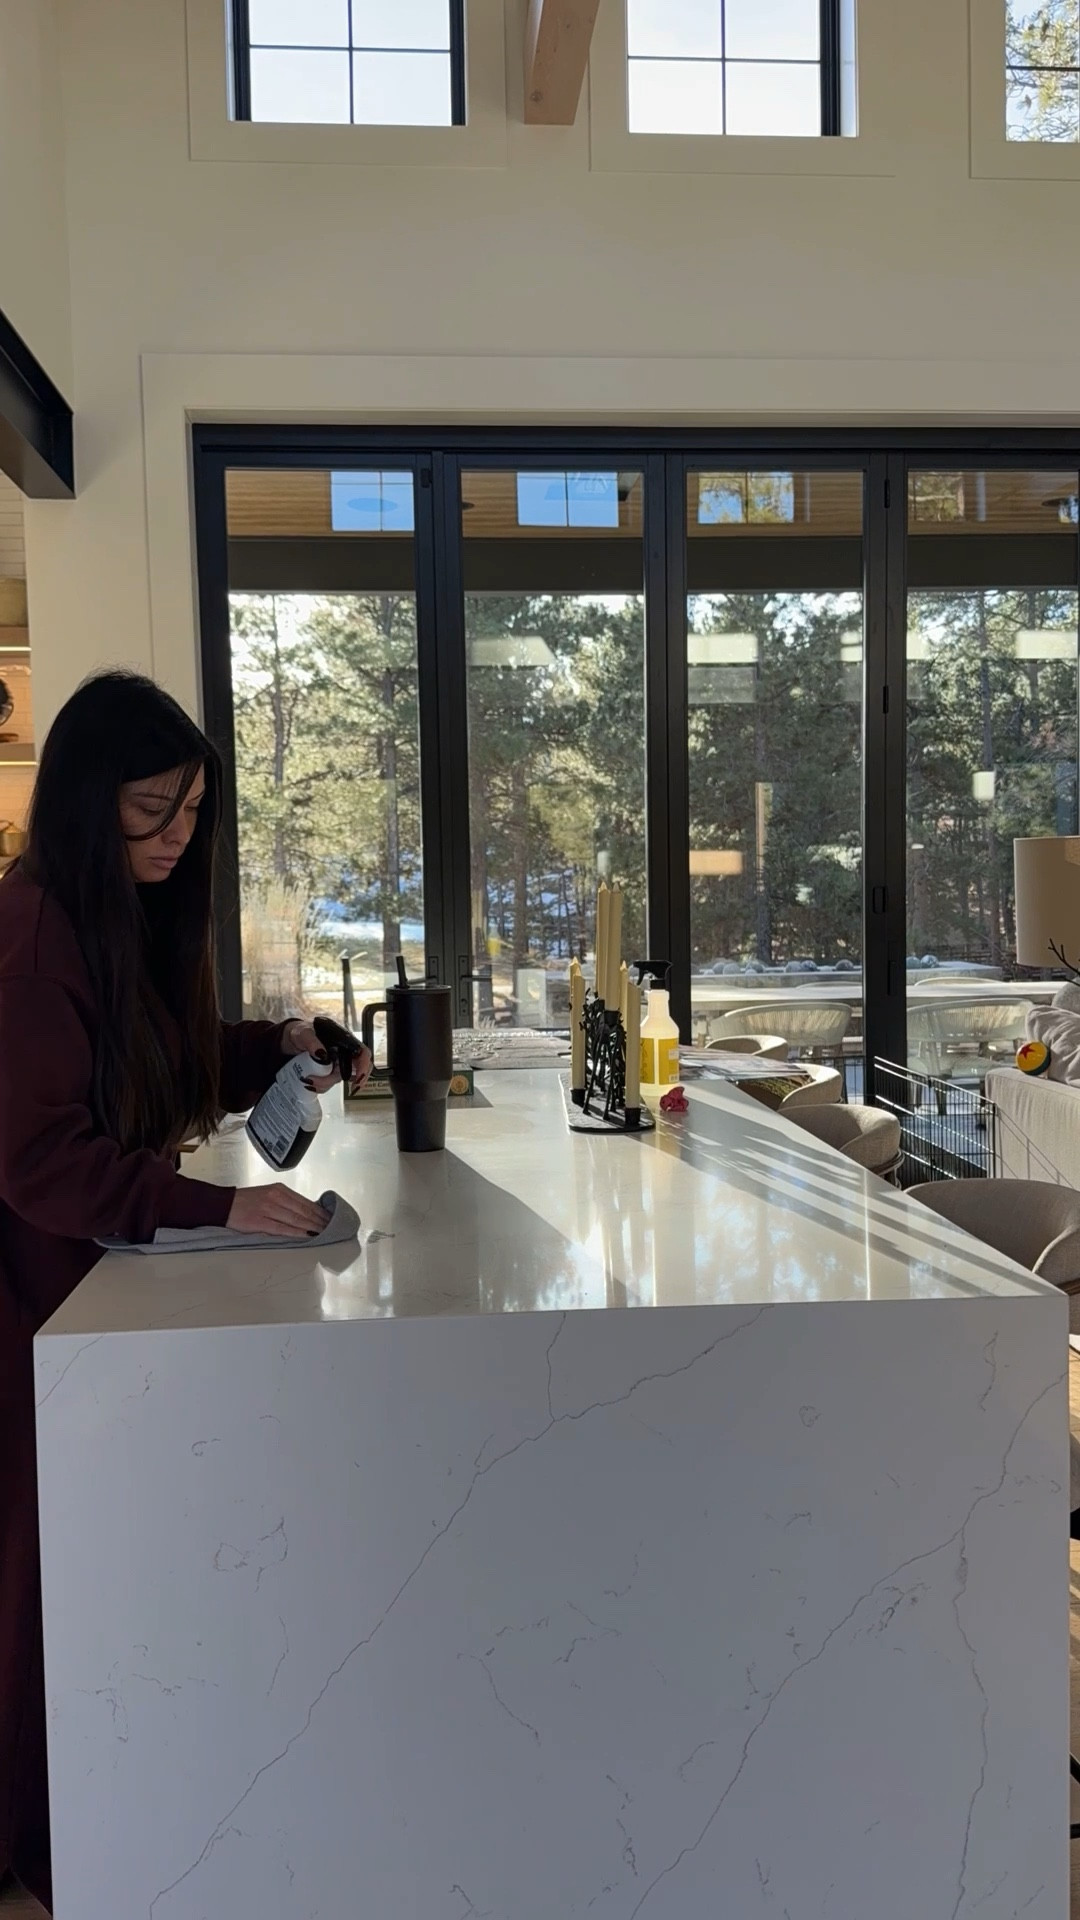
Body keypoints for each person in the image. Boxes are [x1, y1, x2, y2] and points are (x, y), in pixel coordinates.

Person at [0, 671, 371, 1912]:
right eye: (151, 813)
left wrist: (278, 1044)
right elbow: (43, 1160)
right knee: (42, 1587)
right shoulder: (30, 937)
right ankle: (53, 1856)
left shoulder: (109, 921)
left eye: (191, 813)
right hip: (33, 1307)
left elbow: (158, 1064)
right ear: (81, 806)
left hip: (88, 1294)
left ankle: (114, 1816)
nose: (175, 840)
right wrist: (218, 1207)